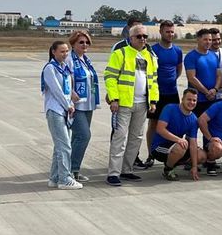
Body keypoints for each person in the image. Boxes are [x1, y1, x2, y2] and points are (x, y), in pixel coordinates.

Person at [104, 24, 159, 186]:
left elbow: (154, 81)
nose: (143, 39)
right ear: (130, 38)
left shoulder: (150, 56)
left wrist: (153, 101)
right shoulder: (120, 53)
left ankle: (127, 170)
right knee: (119, 137)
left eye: (145, 36)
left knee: (136, 138)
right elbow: (110, 77)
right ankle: (113, 173)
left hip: (142, 104)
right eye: (139, 36)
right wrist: (113, 98)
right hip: (123, 104)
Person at [143, 20, 184, 169]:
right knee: (153, 124)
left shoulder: (178, 51)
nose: (170, 34)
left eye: (172, 31)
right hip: (156, 94)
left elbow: (179, 69)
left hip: (172, 93)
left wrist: (172, 80)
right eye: (167, 31)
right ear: (160, 32)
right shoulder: (152, 50)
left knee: (173, 123)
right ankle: (150, 155)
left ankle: (173, 152)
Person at [41, 40, 80, 189]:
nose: (65, 54)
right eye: (62, 51)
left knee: (60, 146)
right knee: (64, 146)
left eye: (66, 51)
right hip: (56, 110)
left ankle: (54, 177)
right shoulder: (51, 68)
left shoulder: (64, 68)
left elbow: (67, 90)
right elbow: (57, 91)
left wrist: (71, 102)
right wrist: (68, 105)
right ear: (53, 52)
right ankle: (65, 179)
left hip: (65, 110)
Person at [66, 30, 98, 182]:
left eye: (87, 42)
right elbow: (64, 79)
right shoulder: (69, 60)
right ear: (73, 44)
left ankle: (73, 170)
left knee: (77, 139)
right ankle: (71, 170)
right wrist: (70, 92)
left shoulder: (86, 59)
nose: (85, 45)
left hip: (88, 104)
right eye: (81, 42)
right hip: (76, 105)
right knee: (84, 136)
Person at [150, 88, 203, 181]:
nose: (192, 102)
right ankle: (168, 169)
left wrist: (194, 166)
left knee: (202, 156)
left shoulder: (194, 119)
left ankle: (175, 162)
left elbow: (193, 143)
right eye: (189, 99)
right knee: (181, 146)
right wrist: (178, 139)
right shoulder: (170, 108)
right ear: (182, 99)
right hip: (159, 147)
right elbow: (160, 129)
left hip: (176, 146)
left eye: (194, 100)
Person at [183, 28, 220, 116]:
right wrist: (206, 92)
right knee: (193, 125)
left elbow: (219, 75)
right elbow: (191, 78)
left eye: (210, 40)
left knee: (212, 126)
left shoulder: (214, 56)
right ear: (198, 39)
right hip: (197, 99)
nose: (208, 42)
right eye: (205, 39)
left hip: (212, 98)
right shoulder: (191, 56)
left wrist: (215, 89)